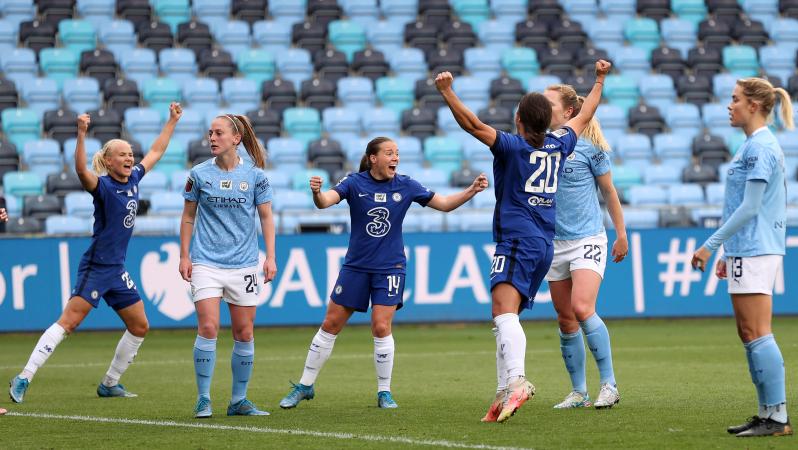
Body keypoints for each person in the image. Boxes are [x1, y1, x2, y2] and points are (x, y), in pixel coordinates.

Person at [435, 60, 611, 423]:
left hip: (517, 239)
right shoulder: (560, 144)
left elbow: (471, 125)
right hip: (545, 244)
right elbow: (587, 112)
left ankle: (516, 381)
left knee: (503, 313)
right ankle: (503, 392)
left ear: (518, 119)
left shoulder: (511, 147)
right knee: (504, 314)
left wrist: (447, 92)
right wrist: (598, 80)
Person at [278, 137, 489, 410]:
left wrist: (471, 190)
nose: (395, 158)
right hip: (356, 266)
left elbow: (445, 204)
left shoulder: (407, 185)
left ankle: (384, 392)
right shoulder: (354, 182)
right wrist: (317, 193)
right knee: (330, 324)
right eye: (389, 153)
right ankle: (305, 386)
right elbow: (325, 202)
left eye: (397, 154)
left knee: (381, 326)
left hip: (390, 267)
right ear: (373, 158)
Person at [8, 103, 183, 403]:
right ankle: (23, 376)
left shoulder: (135, 179)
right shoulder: (101, 187)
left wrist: (171, 121)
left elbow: (156, 151)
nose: (129, 157)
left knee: (140, 325)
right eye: (123, 154)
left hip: (117, 269)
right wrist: (80, 133)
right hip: (97, 267)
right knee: (69, 323)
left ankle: (110, 383)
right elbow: (80, 170)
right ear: (109, 160)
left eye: (130, 153)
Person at [692, 78, 794, 437]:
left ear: (753, 105)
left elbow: (750, 208)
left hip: (756, 248)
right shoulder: (752, 145)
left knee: (758, 332)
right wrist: (728, 250)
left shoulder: (761, 147)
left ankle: (778, 416)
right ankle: (768, 413)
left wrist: (711, 245)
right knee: (748, 332)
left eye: (735, 99)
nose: (729, 105)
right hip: (745, 248)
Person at [179, 114, 277, 419]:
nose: (212, 138)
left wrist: (270, 257)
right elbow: (188, 217)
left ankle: (238, 400)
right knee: (208, 327)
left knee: (244, 333)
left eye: (218, 133)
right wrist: (185, 255)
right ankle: (203, 398)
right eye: (210, 133)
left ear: (236, 139)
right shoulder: (198, 174)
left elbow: (266, 218)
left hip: (244, 265)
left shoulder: (256, 175)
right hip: (206, 262)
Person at [542, 84, 627, 410]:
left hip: (588, 239)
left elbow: (609, 192)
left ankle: (610, 384)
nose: (542, 106)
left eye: (549, 103)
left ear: (568, 112)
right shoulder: (539, 146)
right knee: (565, 319)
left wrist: (621, 233)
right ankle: (579, 392)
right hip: (554, 242)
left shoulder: (590, 147)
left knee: (582, 307)